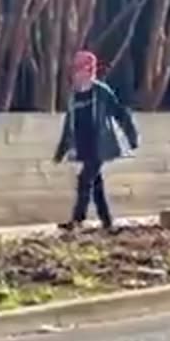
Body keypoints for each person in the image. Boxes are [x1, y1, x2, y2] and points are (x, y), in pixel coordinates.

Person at [53, 50, 140, 231]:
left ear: (89, 70)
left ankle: (77, 220)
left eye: (79, 69)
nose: (75, 74)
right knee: (96, 185)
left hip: (99, 145)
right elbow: (69, 125)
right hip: (83, 146)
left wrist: (132, 137)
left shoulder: (101, 92)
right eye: (74, 70)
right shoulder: (74, 95)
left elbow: (120, 113)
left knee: (84, 180)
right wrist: (61, 150)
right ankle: (107, 222)